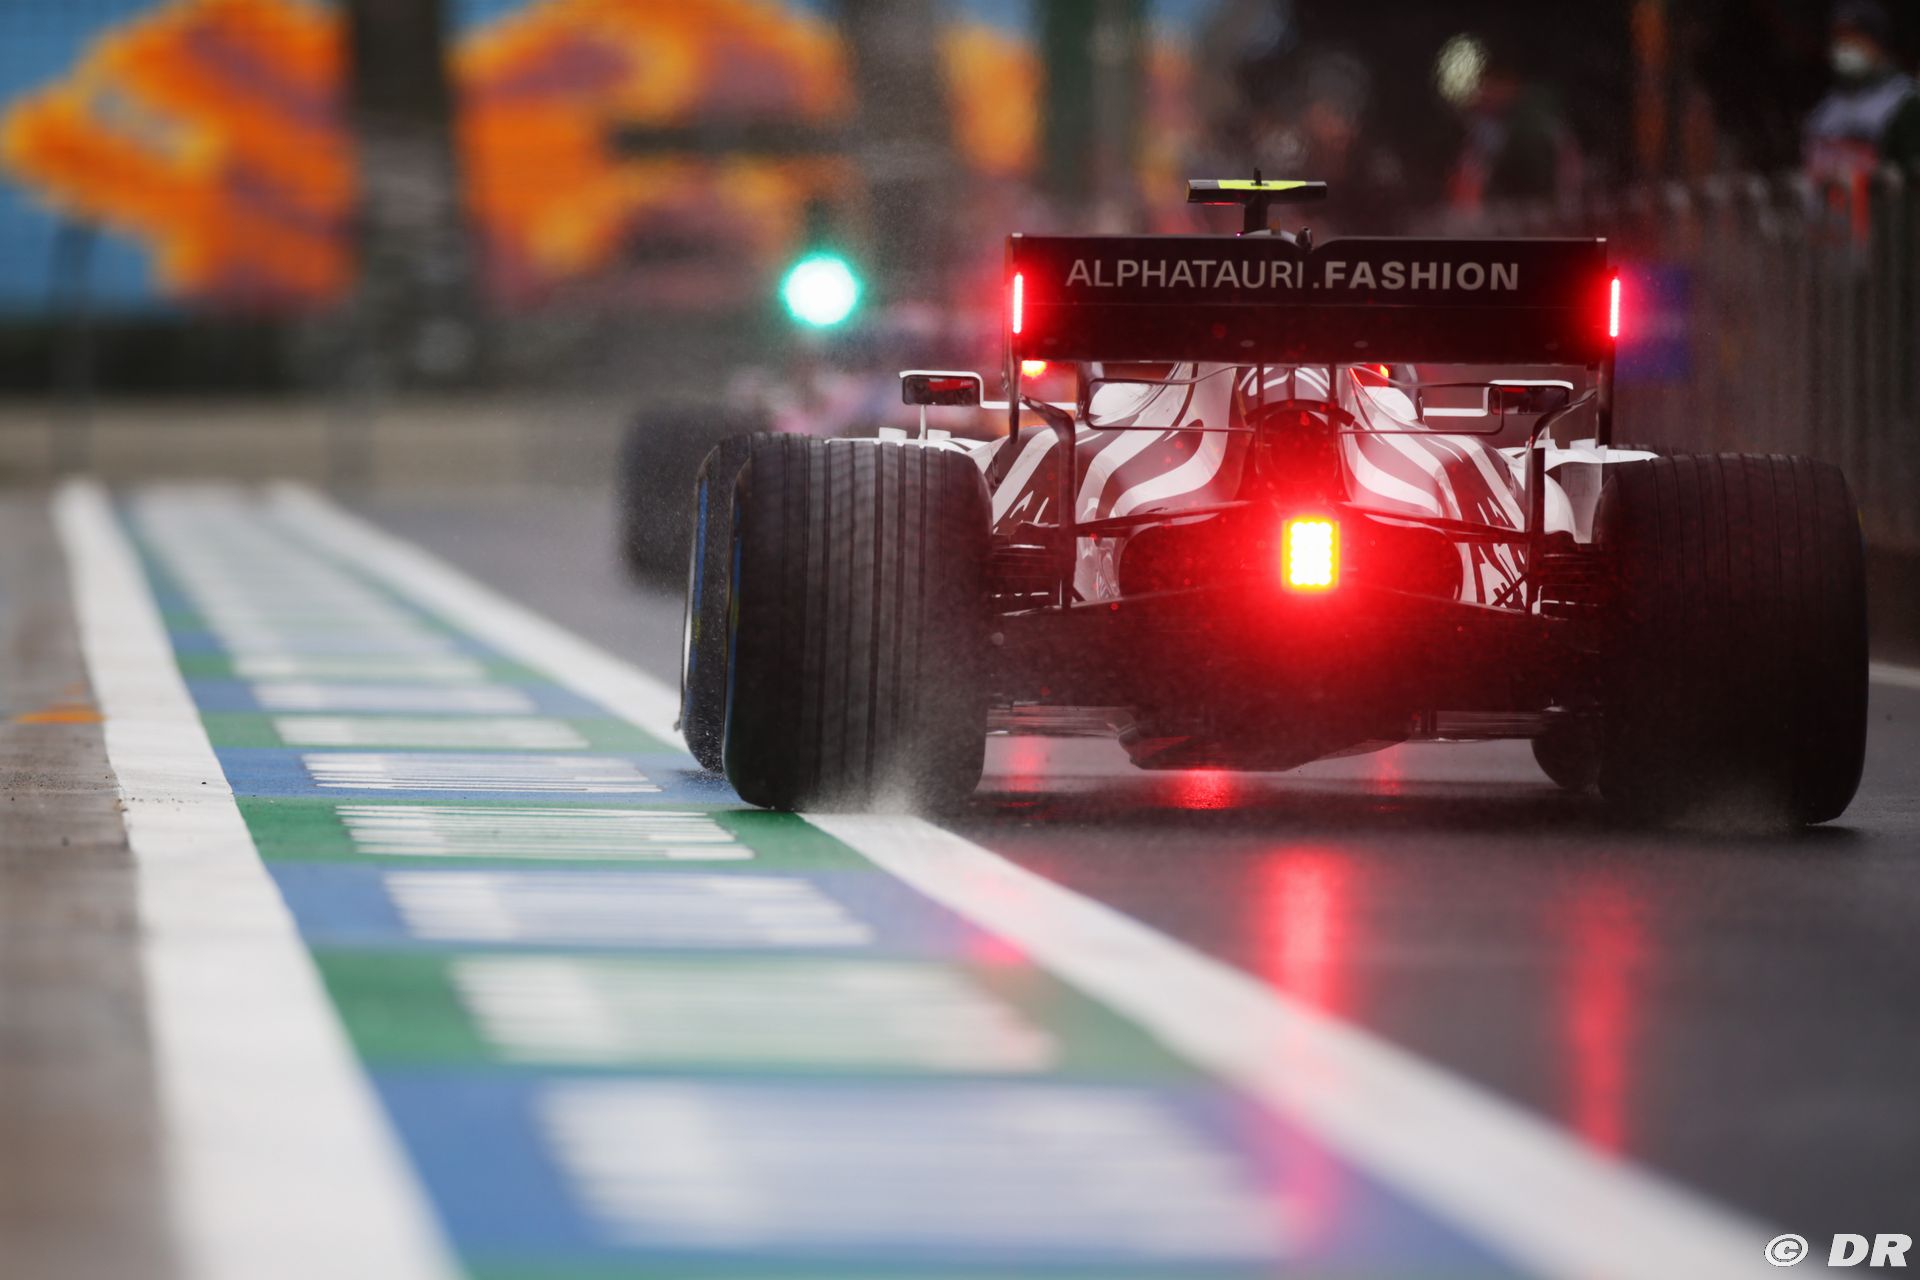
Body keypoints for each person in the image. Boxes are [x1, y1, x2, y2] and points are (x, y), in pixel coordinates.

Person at [1805, 0, 1920, 181]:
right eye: (1839, 37)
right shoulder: (1825, 109)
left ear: (1877, 42)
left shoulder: (1906, 101)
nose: (1844, 45)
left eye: (1854, 37)